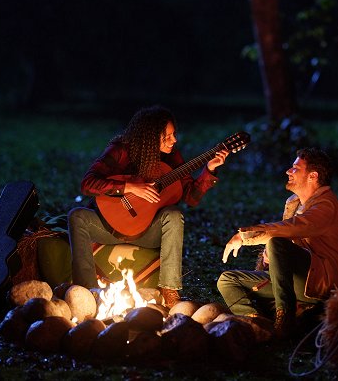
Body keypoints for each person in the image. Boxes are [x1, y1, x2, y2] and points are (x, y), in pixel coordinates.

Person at [68, 105, 229, 308]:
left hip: (146, 231)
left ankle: (170, 291)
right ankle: (88, 291)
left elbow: (191, 197)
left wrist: (209, 170)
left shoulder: (172, 158)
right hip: (107, 227)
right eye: (167, 136)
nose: (174, 140)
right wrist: (129, 187)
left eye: (174, 134)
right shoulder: (121, 151)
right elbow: (88, 183)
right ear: (149, 137)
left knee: (174, 214)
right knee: (77, 216)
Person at [217, 147, 338, 339]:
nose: (288, 171)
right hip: (293, 281)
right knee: (227, 280)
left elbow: (294, 227)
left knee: (276, 244)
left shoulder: (326, 205)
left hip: (321, 282)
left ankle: (285, 318)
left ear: (313, 176)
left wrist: (246, 237)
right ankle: (255, 323)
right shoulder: (295, 203)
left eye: (296, 168)